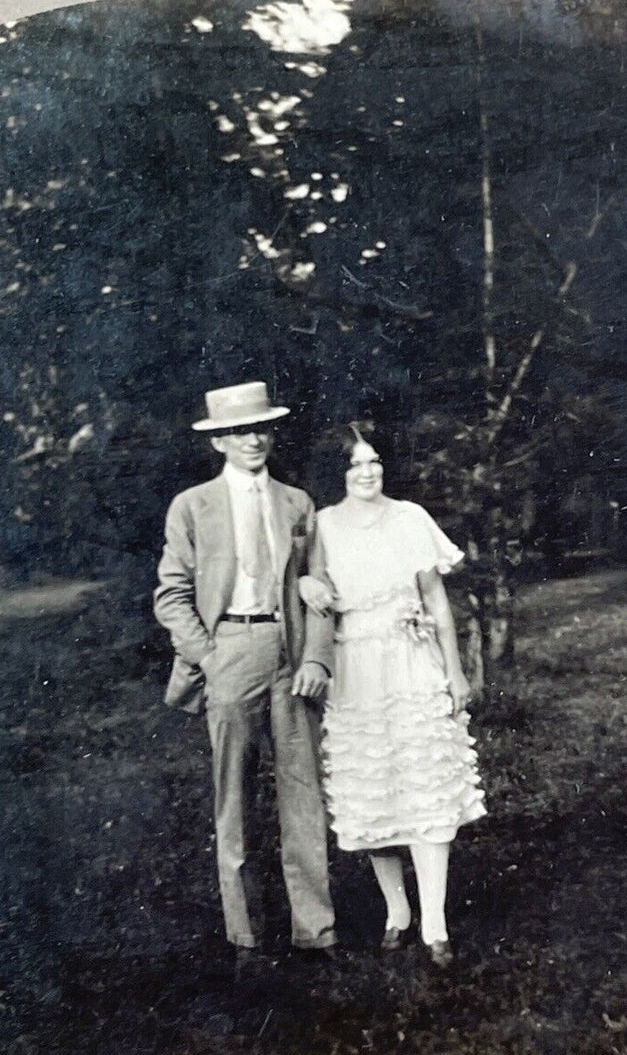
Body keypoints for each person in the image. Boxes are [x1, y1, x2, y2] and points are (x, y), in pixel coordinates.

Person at [153, 381, 337, 965]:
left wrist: (315, 658)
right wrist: (208, 657)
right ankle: (246, 935)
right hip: (228, 647)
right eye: (238, 431)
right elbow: (171, 595)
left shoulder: (297, 503)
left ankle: (316, 929)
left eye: (260, 428)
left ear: (271, 434)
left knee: (304, 792)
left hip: (291, 650)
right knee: (233, 796)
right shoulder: (193, 505)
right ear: (218, 443)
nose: (252, 439)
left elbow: (322, 590)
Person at [301, 424, 486, 968]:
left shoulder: (409, 518)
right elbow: (295, 585)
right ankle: (396, 912)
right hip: (354, 669)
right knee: (374, 792)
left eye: (374, 461)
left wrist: (454, 672)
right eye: (355, 464)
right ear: (337, 473)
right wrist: (299, 586)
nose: (367, 471)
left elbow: (437, 600)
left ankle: (435, 922)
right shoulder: (321, 528)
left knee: (425, 785)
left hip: (411, 663)